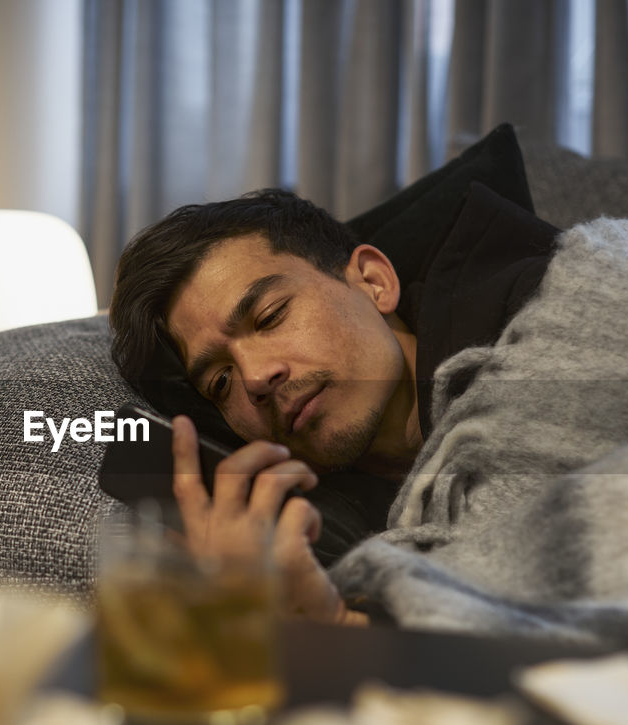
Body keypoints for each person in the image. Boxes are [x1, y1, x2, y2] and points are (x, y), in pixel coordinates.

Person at [108, 185, 556, 626]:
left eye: (270, 316)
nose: (256, 378)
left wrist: (343, 625)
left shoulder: (557, 320)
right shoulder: (324, 533)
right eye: (221, 381)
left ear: (374, 282)